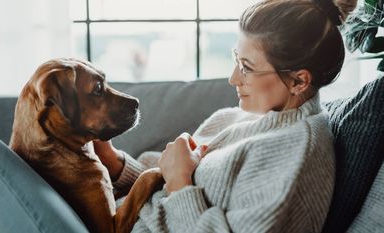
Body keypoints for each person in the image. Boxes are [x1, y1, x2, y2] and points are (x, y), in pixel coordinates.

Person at [92, 0, 357, 232]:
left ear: (299, 81)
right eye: (236, 59)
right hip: (114, 213)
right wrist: (115, 163)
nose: (232, 79)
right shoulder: (235, 118)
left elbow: (174, 183)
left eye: (246, 68)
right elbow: (160, 184)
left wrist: (180, 182)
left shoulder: (297, 155)